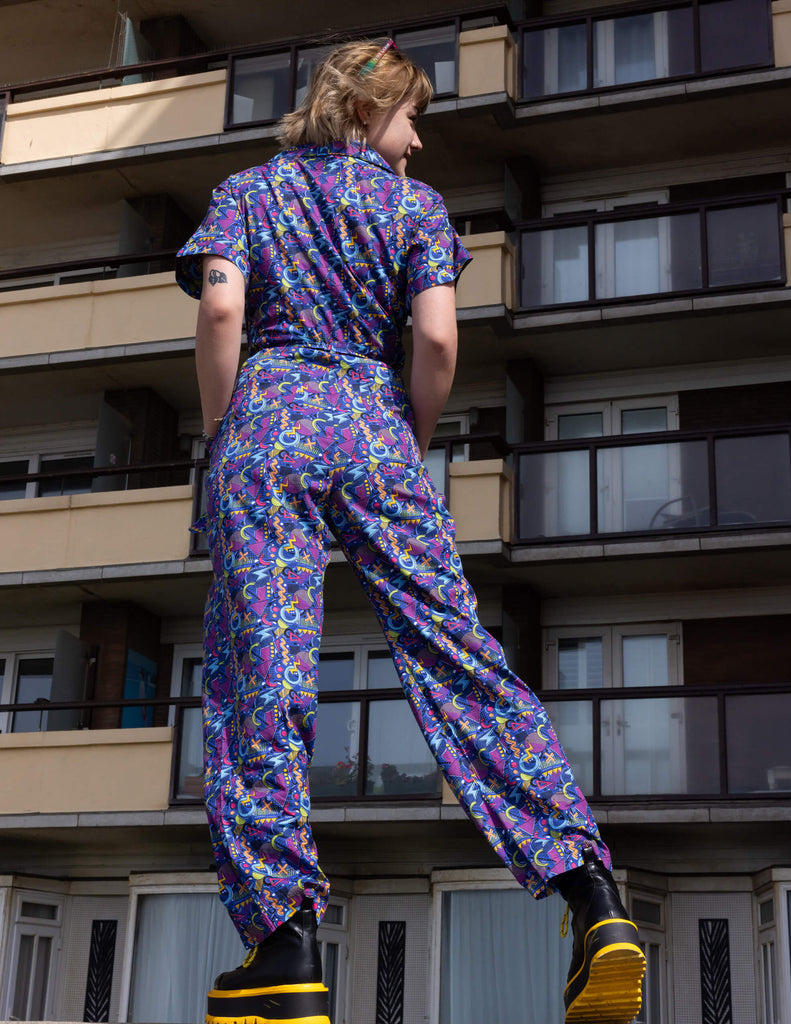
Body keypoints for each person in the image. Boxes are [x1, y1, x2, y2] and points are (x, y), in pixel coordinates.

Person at [176, 38, 645, 1024]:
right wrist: (402, 440)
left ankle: (284, 944)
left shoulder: (247, 189)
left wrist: (227, 441)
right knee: (461, 655)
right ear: (360, 109)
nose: (419, 141)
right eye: (409, 117)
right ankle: (591, 897)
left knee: (263, 673)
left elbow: (222, 310)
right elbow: (436, 338)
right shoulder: (415, 211)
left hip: (265, 421)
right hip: (378, 428)